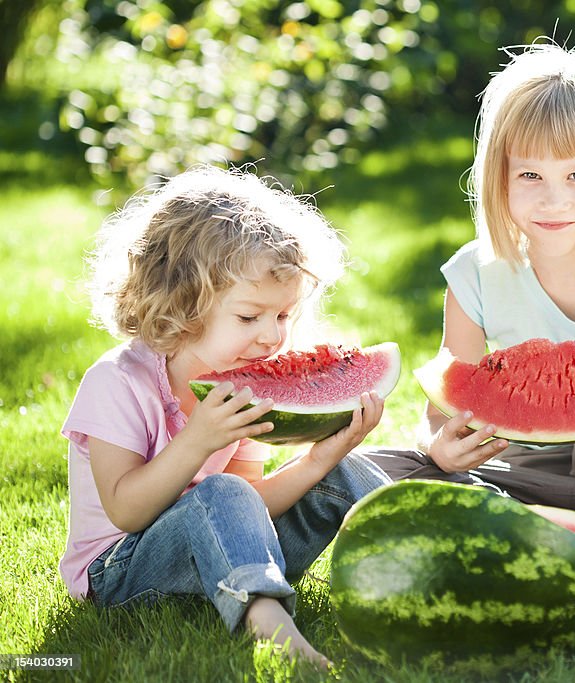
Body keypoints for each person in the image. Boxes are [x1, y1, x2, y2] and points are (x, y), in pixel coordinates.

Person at [363, 41, 575, 519]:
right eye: (530, 174)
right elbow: (441, 413)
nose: (553, 201)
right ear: (498, 177)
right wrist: (438, 448)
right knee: (366, 470)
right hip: (505, 474)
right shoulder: (475, 275)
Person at [60, 165, 390, 667]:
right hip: (121, 571)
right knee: (220, 491)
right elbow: (126, 511)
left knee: (343, 472)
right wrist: (198, 440)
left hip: (227, 554)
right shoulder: (116, 383)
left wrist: (321, 460)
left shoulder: (246, 382)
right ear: (182, 303)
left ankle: (432, 568)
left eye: (282, 315)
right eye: (248, 316)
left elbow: (250, 505)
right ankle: (271, 625)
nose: (272, 337)